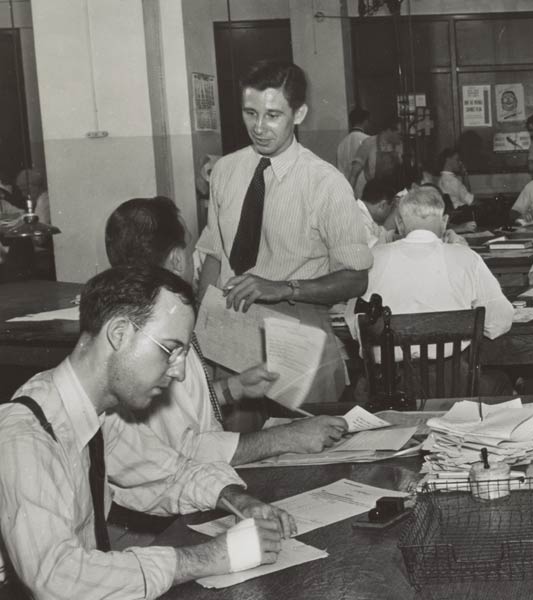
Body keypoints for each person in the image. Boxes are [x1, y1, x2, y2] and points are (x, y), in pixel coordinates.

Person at [0, 265, 298, 598]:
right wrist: (211, 556)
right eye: (170, 350)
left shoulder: (97, 415)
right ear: (119, 334)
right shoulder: (26, 437)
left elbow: (166, 473)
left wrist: (238, 499)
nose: (180, 373)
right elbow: (59, 578)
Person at [105, 197, 348, 471]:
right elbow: (189, 451)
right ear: (176, 260)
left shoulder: (137, 317)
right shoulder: (161, 336)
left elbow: (180, 409)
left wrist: (234, 388)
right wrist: (288, 437)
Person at [196, 61, 372, 406]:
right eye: (250, 113)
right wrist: (202, 328)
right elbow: (214, 256)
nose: (259, 127)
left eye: (273, 115)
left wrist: (282, 288)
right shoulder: (225, 171)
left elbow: (356, 279)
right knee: (233, 434)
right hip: (229, 326)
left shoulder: (326, 183)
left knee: (302, 434)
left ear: (299, 113)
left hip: (297, 329)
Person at [348, 188, 514, 395]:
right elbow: (500, 320)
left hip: (388, 388)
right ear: (444, 221)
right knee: (501, 382)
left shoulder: (374, 257)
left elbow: (355, 324)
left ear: (400, 222)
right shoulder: (466, 257)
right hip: (452, 386)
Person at [349, 117, 404, 198]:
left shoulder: (399, 145)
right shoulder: (369, 143)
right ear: (389, 131)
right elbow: (354, 174)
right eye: (399, 134)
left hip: (395, 193)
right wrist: (349, 196)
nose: (401, 137)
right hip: (373, 194)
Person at [356, 177, 400, 248]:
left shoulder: (363, 213)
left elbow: (381, 234)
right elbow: (376, 249)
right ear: (382, 205)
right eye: (391, 207)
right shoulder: (360, 220)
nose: (390, 212)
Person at [336, 107, 370, 189]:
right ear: (365, 121)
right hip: (366, 187)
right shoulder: (368, 140)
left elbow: (340, 169)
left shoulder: (342, 144)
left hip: (347, 187)